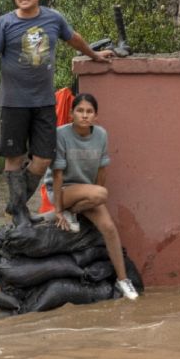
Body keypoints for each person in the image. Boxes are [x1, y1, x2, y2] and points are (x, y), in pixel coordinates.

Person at [0, 0, 113, 228]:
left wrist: (94, 55)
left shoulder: (53, 19)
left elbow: (74, 38)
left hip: (43, 101)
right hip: (13, 101)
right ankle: (20, 213)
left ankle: (15, 206)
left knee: (44, 158)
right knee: (14, 157)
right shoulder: (2, 24)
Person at [45, 93, 139, 300]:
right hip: (61, 191)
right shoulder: (61, 134)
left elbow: (102, 170)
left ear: (96, 116)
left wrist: (94, 200)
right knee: (101, 193)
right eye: (80, 111)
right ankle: (65, 211)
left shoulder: (101, 135)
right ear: (71, 114)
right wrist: (59, 209)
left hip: (87, 192)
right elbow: (58, 174)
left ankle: (123, 280)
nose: (84, 115)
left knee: (109, 228)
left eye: (89, 112)